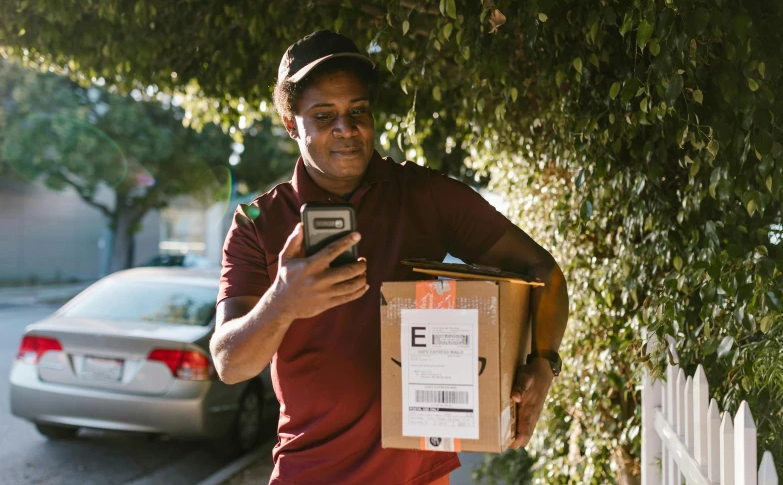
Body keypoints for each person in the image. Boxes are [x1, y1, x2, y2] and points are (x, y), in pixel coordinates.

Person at [209, 30, 570, 485]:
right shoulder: (258, 224)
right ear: (290, 122)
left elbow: (544, 272)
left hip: (419, 474)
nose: (347, 128)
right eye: (324, 116)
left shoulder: (424, 195)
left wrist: (544, 363)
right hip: (310, 473)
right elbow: (228, 363)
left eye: (357, 111)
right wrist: (282, 303)